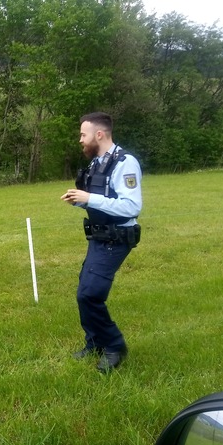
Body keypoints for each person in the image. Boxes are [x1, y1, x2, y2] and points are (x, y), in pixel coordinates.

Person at [60, 112, 143, 373]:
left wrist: (89, 198)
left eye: (83, 135)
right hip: (98, 236)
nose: (80, 140)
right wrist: (80, 200)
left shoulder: (125, 163)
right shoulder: (97, 163)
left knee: (90, 294)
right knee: (83, 292)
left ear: (99, 134)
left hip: (116, 238)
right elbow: (101, 200)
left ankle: (114, 346)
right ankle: (94, 342)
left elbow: (131, 206)